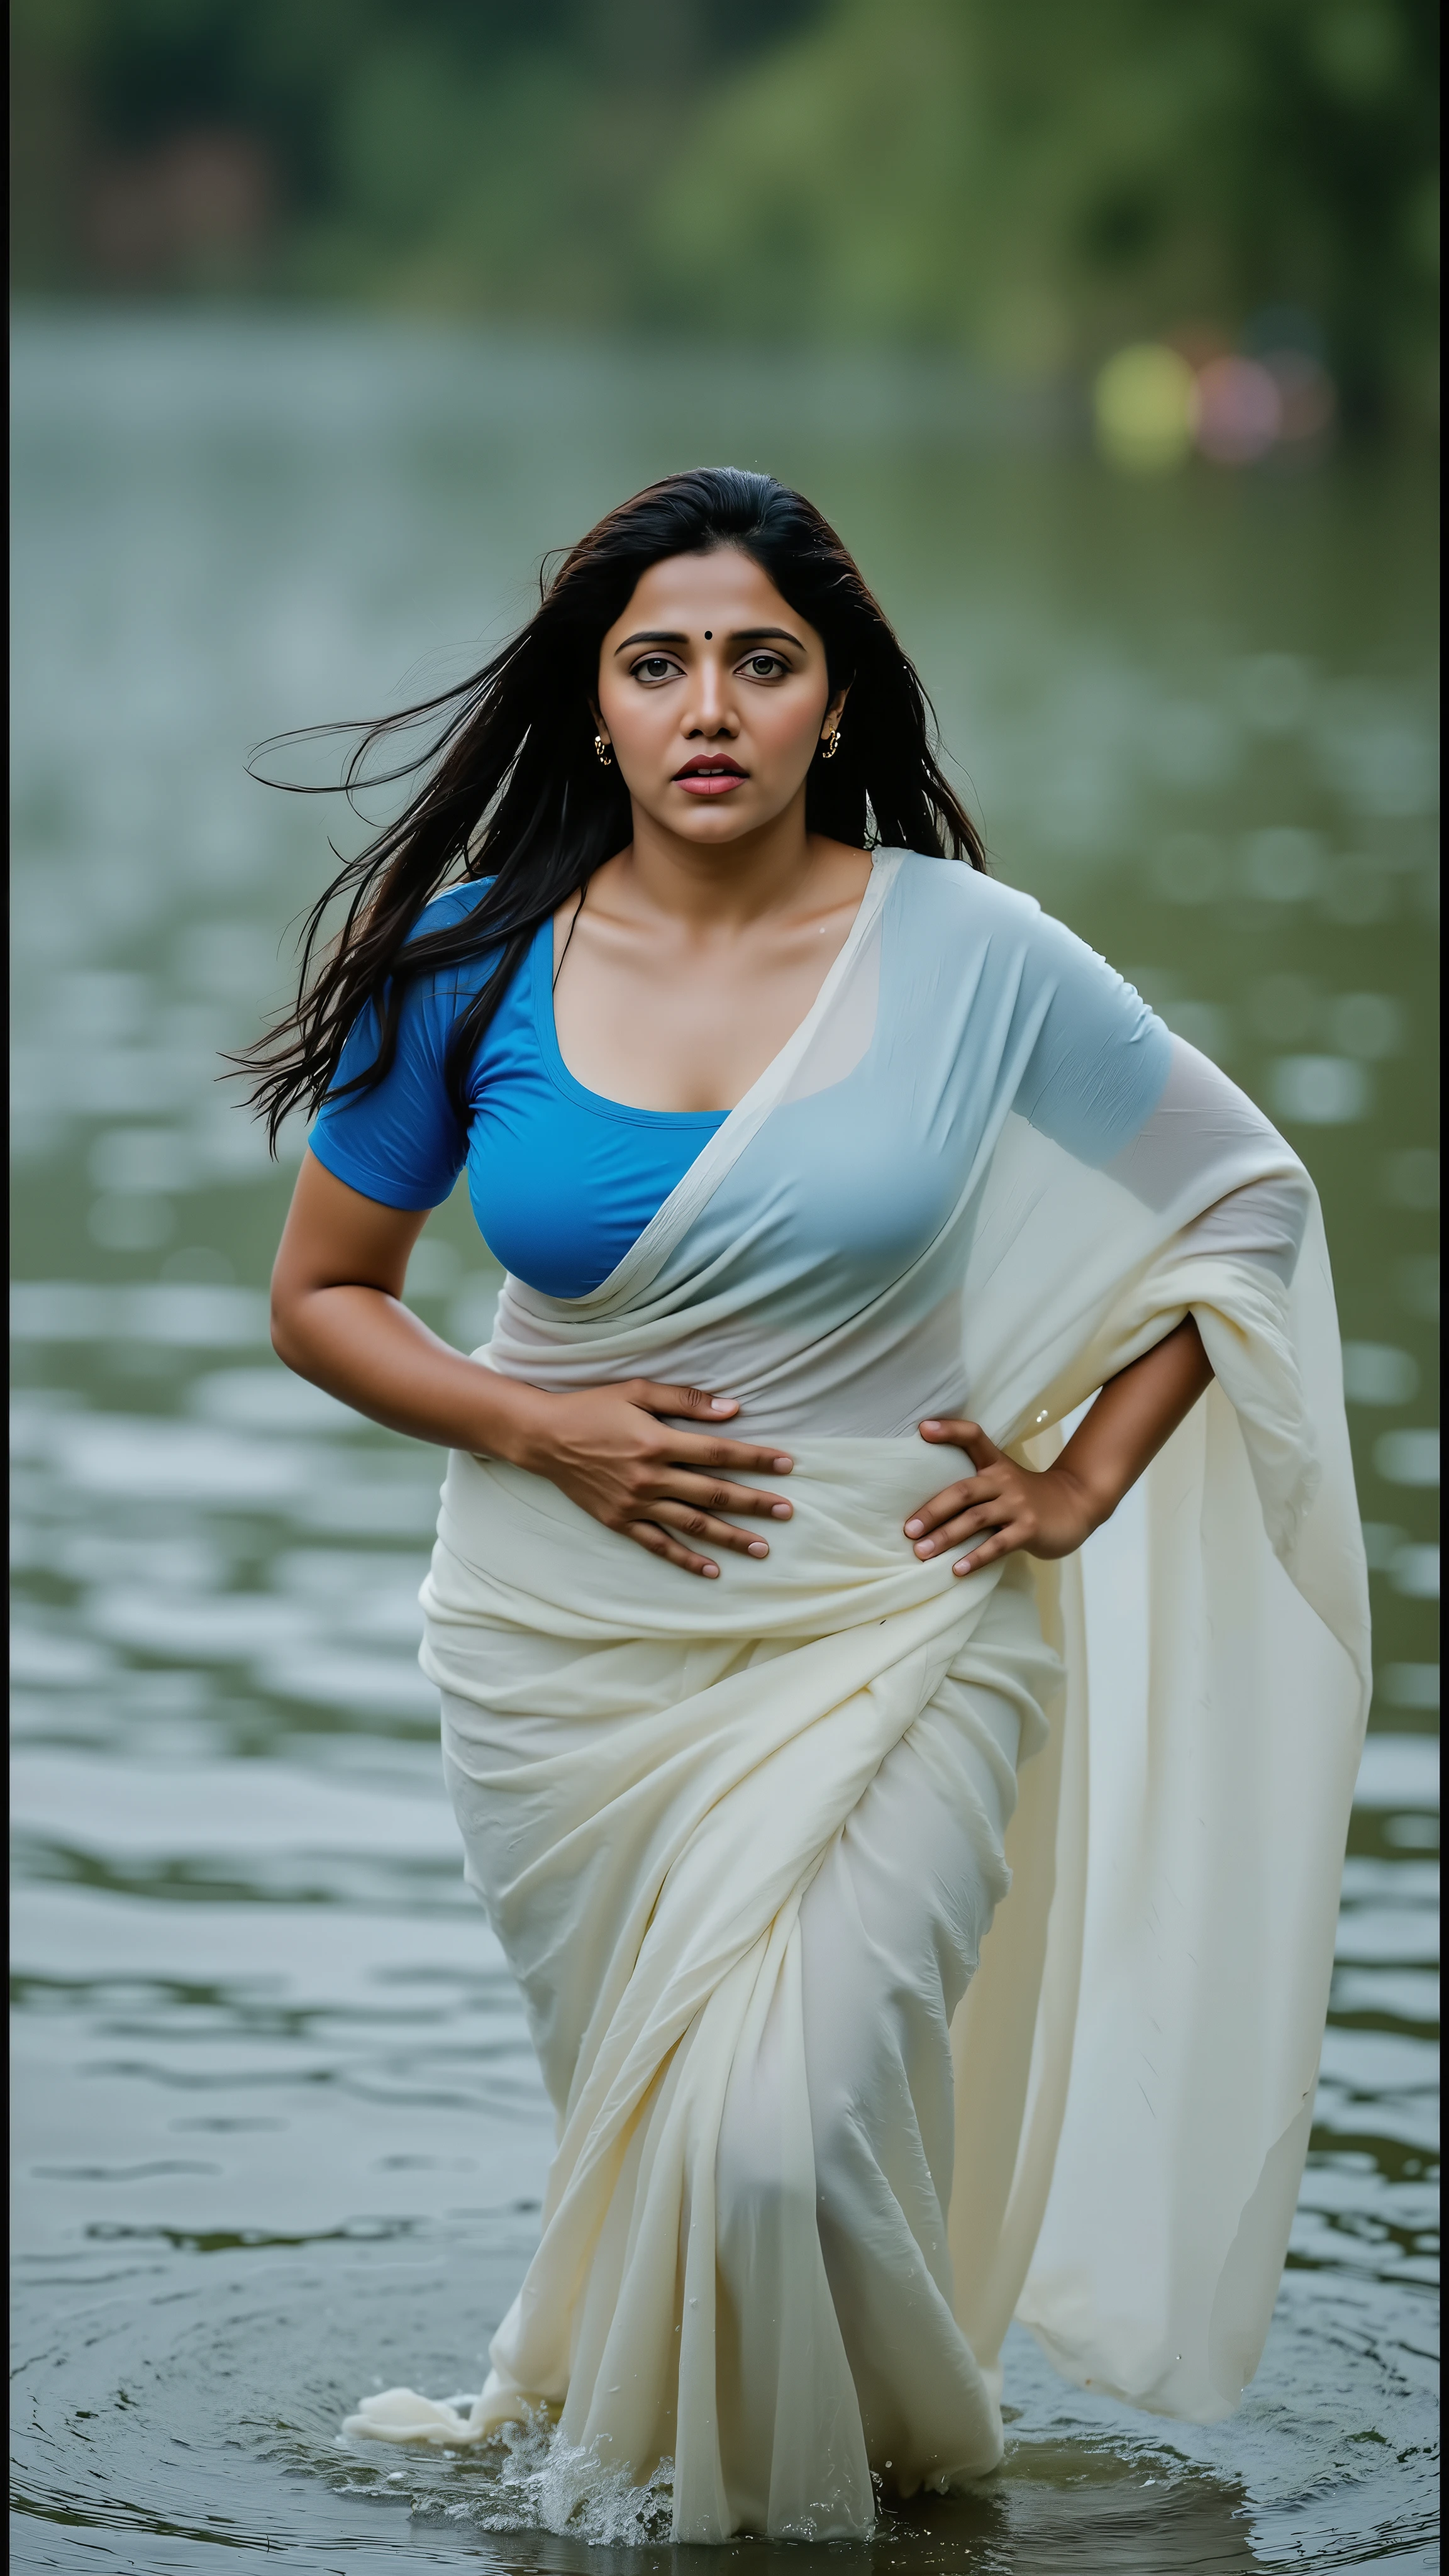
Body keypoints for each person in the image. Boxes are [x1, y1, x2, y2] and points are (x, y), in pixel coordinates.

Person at [247, 468, 1368, 2545]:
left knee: (765, 2140)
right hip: (563, 1660)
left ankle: (868, 2488)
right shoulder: (473, 963)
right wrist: (536, 1425)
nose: (708, 704)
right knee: (671, 2126)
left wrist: (1083, 1477)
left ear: (832, 701)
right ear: (594, 704)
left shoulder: (974, 957)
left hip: (905, 1625)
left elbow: (1246, 1205)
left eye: (761, 662)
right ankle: (827, 2500)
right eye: (656, 661)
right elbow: (323, 1299)